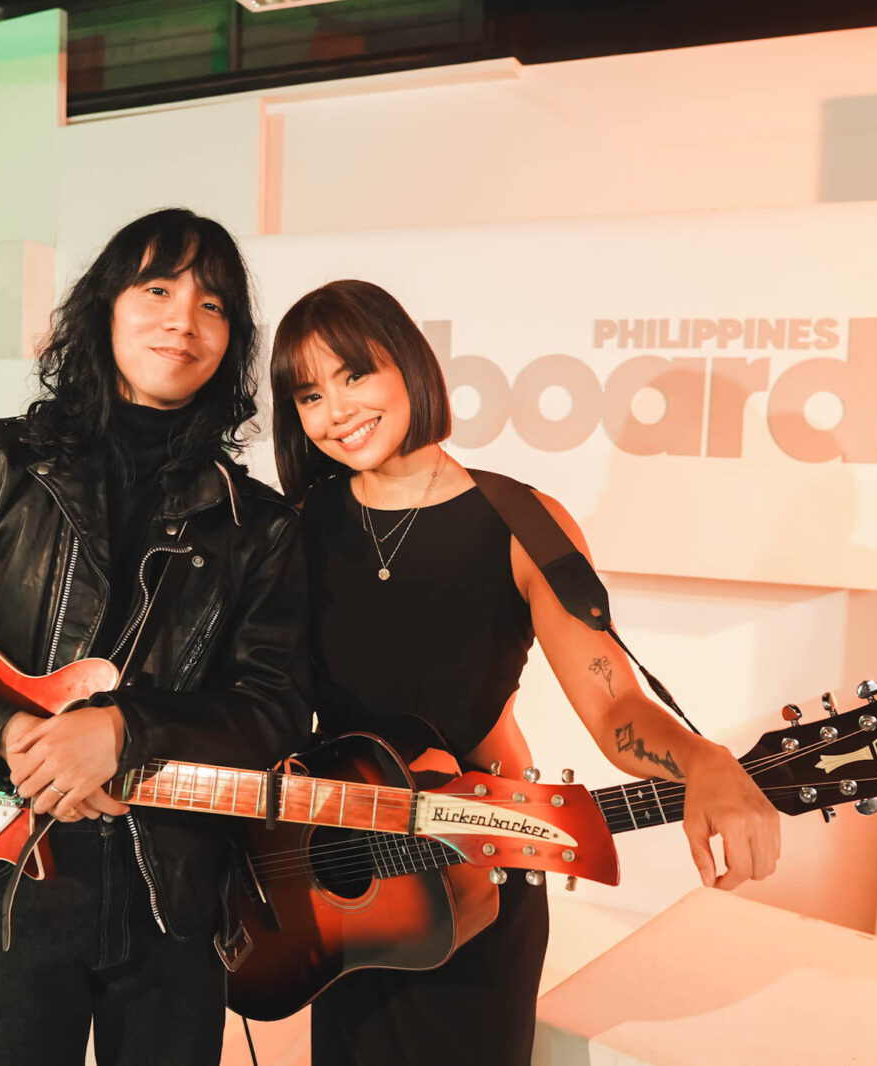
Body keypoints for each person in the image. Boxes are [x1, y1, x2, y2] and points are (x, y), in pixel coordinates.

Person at [0, 208, 312, 1066]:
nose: (183, 320)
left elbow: (275, 708)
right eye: (157, 290)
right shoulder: (4, 465)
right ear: (105, 308)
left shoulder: (261, 526)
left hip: (175, 899)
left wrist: (128, 731)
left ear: (231, 340)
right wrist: (8, 737)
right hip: (5, 886)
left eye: (213, 305)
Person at [268, 279, 780, 1065]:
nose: (336, 410)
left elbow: (615, 708)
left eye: (354, 374)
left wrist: (703, 760)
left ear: (408, 365)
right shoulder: (296, 528)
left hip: (481, 869)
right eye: (309, 395)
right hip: (345, 879)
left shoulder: (523, 523)